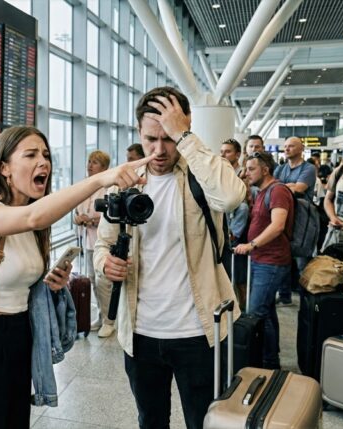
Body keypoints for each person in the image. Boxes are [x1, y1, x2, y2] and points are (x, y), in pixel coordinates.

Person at [0, 126, 153, 429]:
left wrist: (50, 285)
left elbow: (23, 268)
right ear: (4, 167)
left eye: (45, 155)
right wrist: (101, 179)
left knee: (14, 420)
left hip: (20, 334)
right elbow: (35, 216)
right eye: (30, 155)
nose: (43, 162)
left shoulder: (32, 221)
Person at [94, 86, 246, 429]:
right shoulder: (124, 184)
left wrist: (187, 138)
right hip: (141, 333)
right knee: (150, 420)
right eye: (151, 139)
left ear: (185, 127)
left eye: (169, 138)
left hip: (198, 331)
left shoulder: (201, 174)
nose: (160, 149)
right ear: (138, 133)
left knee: (202, 421)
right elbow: (102, 244)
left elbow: (232, 195)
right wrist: (105, 262)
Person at [234, 151, 294, 370]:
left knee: (255, 311)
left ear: (265, 169)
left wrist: (252, 244)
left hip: (272, 261)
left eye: (251, 169)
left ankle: (265, 363)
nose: (247, 173)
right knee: (267, 313)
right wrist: (243, 176)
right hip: (262, 259)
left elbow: (278, 225)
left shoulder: (277, 191)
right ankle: (270, 361)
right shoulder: (262, 191)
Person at [74, 150, 115, 338]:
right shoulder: (85, 186)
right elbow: (75, 211)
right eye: (89, 161)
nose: (90, 165)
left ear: (105, 167)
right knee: (91, 280)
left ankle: (109, 321)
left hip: (102, 244)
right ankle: (100, 316)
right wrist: (79, 219)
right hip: (87, 242)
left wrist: (90, 221)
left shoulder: (109, 188)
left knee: (102, 282)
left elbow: (110, 218)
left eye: (95, 162)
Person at [273, 137, 317, 304]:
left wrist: (284, 187)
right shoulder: (281, 168)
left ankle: (307, 299)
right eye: (285, 146)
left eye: (291, 146)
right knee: (283, 257)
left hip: (302, 219)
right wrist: (288, 186)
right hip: (284, 217)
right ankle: (285, 296)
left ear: (301, 149)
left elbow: (299, 189)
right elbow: (273, 187)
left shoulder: (309, 169)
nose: (287, 149)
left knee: (301, 261)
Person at [220, 139, 250, 309]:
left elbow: (245, 205)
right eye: (222, 151)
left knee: (240, 280)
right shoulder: (224, 174)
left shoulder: (243, 176)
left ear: (237, 154)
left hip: (239, 237)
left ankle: (243, 312)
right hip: (226, 232)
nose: (223, 155)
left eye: (227, 151)